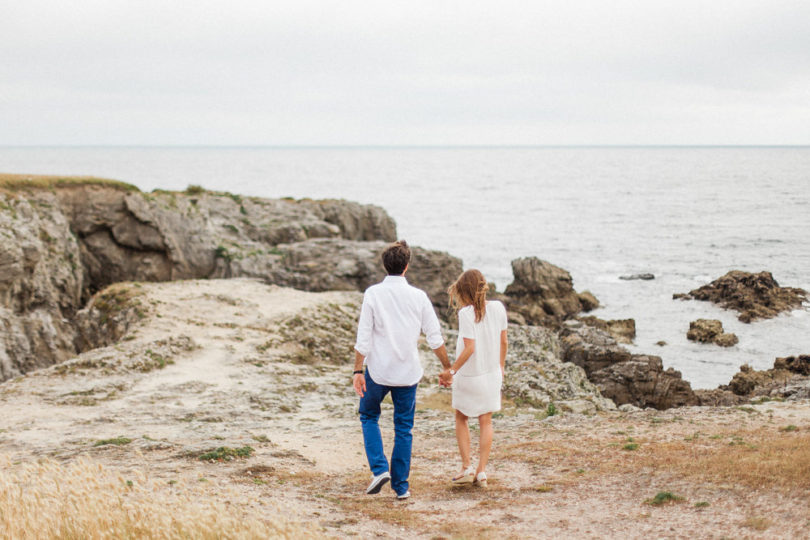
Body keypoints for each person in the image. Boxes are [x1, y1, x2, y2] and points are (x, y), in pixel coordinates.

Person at [352, 240, 451, 500]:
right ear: (406, 267)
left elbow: (363, 337)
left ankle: (379, 469)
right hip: (407, 374)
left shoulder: (373, 294)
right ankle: (401, 487)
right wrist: (447, 367)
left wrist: (357, 371)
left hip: (379, 370)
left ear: (386, 266)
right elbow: (435, 338)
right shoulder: (419, 297)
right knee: (404, 428)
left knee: (368, 416)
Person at [441, 269, 508, 488]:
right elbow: (504, 342)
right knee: (485, 421)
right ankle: (481, 471)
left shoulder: (466, 314)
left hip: (470, 375)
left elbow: (470, 348)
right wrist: (501, 366)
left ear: (465, 292)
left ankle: (466, 466)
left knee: (462, 418)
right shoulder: (498, 308)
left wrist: (451, 371)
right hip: (491, 373)